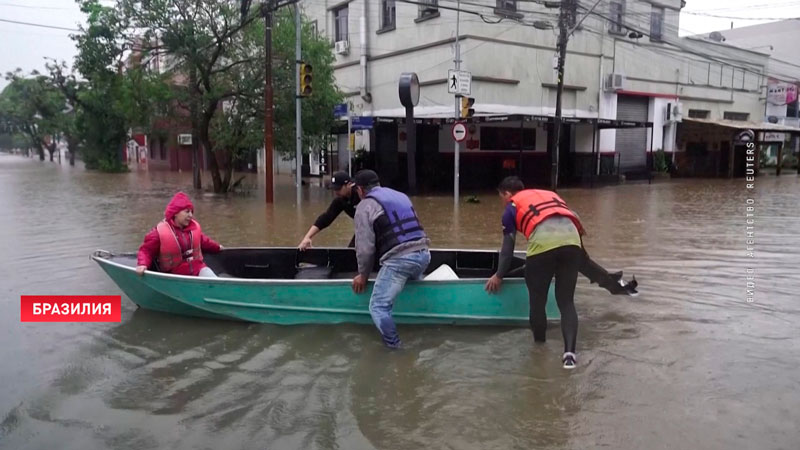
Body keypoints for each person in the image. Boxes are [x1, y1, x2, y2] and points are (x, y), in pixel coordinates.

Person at [485, 176, 587, 369]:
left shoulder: (511, 208)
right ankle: (569, 355)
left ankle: (539, 350)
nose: (502, 201)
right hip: (573, 244)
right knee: (566, 302)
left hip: (542, 248)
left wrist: (498, 275)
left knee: (537, 302)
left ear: (507, 193)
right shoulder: (548, 195)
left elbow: (507, 250)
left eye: (500, 197)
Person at [351, 170, 431, 349]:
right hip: (424, 254)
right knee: (406, 282)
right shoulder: (400, 195)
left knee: (378, 306)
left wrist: (363, 275)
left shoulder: (365, 205)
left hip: (401, 260)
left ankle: (395, 349)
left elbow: (364, 248)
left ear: (361, 190)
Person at [136, 192, 223, 277]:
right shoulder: (158, 232)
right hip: (174, 274)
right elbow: (146, 250)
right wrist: (143, 264)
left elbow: (204, 242)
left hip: (197, 268)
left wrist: (217, 247)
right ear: (175, 213)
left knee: (207, 272)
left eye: (191, 212)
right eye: (187, 212)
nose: (190, 215)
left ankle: (218, 286)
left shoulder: (193, 228)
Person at [298, 171, 360, 250]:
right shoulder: (341, 200)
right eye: (334, 189)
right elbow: (326, 218)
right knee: (349, 254)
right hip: (363, 228)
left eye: (338, 189)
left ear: (349, 185)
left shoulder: (360, 193)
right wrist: (307, 237)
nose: (336, 192)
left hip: (375, 226)